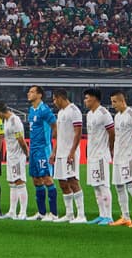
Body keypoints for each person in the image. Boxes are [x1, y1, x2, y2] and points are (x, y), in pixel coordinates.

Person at [51, 88, 86, 223]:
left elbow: (78, 133)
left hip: (69, 152)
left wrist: (72, 151)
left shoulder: (74, 111)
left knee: (72, 181)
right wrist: (54, 152)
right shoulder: (61, 113)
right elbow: (59, 135)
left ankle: (81, 215)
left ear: (60, 97)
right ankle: (70, 214)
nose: (54, 102)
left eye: (55, 99)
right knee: (62, 183)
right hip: (60, 152)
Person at [109, 90, 132, 226]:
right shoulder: (117, 116)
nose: (113, 105)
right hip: (118, 156)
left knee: (131, 186)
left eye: (115, 102)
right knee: (118, 186)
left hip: (128, 156)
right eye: (112, 102)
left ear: (122, 101)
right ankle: (125, 216)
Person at [26, 85, 58, 220]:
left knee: (46, 178)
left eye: (32, 92)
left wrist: (53, 147)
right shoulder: (31, 110)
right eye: (29, 91)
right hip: (33, 149)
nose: (29, 94)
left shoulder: (45, 110)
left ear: (39, 95)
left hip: (43, 149)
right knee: (35, 179)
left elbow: (55, 126)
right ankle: (42, 212)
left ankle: (54, 214)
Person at [83, 88, 114, 225]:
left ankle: (108, 216)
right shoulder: (89, 114)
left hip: (101, 154)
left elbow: (112, 132)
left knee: (103, 185)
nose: (85, 101)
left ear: (95, 98)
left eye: (87, 98)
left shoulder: (104, 113)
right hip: (92, 154)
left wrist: (110, 147)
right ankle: (102, 214)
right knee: (95, 185)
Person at [0, 101, 29, 220]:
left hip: (18, 156)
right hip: (10, 156)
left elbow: (20, 139)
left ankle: (23, 212)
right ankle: (12, 211)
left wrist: (26, 154)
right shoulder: (5, 121)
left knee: (19, 182)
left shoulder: (15, 121)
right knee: (12, 183)